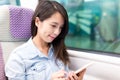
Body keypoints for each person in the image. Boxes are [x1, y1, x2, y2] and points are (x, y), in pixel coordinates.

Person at [5, 0, 86, 80]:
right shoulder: (19, 57)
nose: (57, 32)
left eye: (60, 28)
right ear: (37, 22)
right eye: (53, 25)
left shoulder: (58, 51)